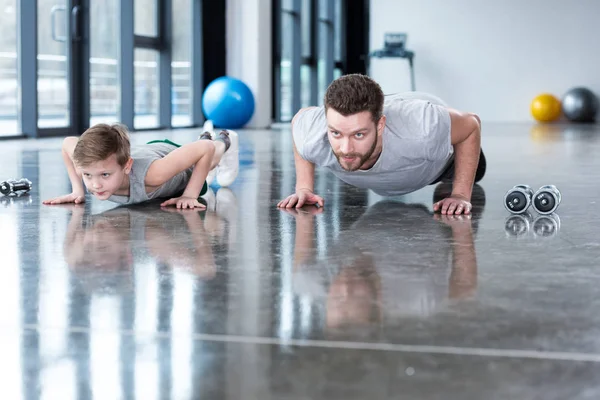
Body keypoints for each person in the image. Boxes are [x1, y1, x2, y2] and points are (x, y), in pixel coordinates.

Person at [277, 73, 486, 215]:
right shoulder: (314, 132)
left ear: (380, 125)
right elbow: (299, 121)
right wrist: (303, 187)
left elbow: (471, 124)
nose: (346, 149)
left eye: (359, 134)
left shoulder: (424, 129)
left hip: (439, 164)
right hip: (402, 152)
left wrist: (459, 194)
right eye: (336, 133)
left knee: (477, 170)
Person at [43, 122, 238, 208]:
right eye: (87, 176)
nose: (95, 185)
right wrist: (78, 190)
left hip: (165, 157)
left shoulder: (153, 175)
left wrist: (189, 195)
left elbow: (204, 149)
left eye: (104, 175)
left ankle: (225, 139)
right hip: (144, 153)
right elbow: (67, 143)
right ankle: (205, 135)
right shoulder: (88, 164)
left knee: (209, 160)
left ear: (127, 166)